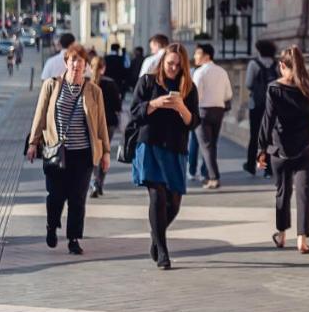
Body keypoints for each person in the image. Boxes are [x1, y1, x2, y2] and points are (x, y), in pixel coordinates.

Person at [25, 44, 112, 256]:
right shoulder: (51, 86)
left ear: (86, 66)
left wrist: (106, 152)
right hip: (56, 152)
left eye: (80, 61)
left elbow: (101, 123)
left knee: (78, 198)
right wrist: (33, 143)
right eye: (73, 60)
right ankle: (51, 226)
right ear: (66, 62)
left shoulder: (94, 91)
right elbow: (40, 114)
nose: (76, 64)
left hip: (82, 154)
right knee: (55, 196)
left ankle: (73, 239)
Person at [129, 43, 199, 270]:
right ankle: (163, 252)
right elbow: (134, 113)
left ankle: (155, 237)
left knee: (175, 203)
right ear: (162, 62)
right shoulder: (148, 82)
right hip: (149, 146)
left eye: (178, 65)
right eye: (170, 64)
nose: (173, 68)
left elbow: (193, 122)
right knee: (157, 197)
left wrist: (181, 108)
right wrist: (154, 104)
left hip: (176, 148)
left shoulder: (188, 87)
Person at [256, 45, 309, 254]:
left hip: (280, 149)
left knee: (283, 192)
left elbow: (267, 120)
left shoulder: (274, 88)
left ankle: (282, 234)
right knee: (305, 193)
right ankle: (302, 239)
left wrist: (261, 150)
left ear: (282, 65)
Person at [190, 43, 233, 189]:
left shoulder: (200, 72)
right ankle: (209, 175)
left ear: (206, 56)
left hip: (202, 111)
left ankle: (214, 177)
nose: (195, 56)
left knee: (206, 146)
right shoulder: (222, 71)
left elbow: (196, 95)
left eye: (197, 54)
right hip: (219, 110)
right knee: (212, 145)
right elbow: (228, 94)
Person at [88, 55, 123, 198]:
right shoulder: (111, 84)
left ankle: (94, 182)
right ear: (104, 68)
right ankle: (100, 183)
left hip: (91, 123)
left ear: (90, 67)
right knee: (104, 153)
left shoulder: (86, 85)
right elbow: (117, 106)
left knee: (94, 154)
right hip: (109, 123)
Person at [244, 39, 277, 177]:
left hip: (256, 104)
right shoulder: (276, 64)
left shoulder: (254, 64)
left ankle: (251, 165)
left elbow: (248, 83)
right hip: (272, 105)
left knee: (255, 136)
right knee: (269, 136)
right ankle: (268, 169)